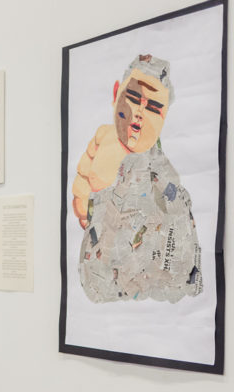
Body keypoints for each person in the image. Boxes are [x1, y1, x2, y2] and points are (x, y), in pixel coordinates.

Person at [70, 54, 201, 303]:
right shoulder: (103, 136)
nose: (139, 113)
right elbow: (83, 173)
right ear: (116, 94)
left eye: (153, 108)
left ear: (164, 119)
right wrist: (82, 201)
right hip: (96, 245)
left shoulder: (157, 166)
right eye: (132, 98)